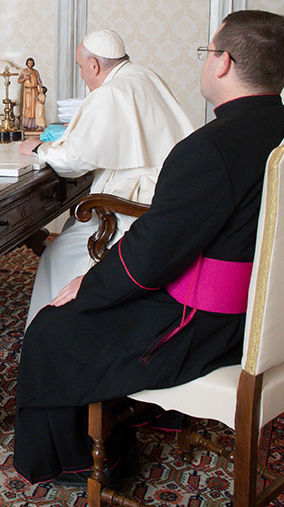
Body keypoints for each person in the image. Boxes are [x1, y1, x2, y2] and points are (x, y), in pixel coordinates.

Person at [13, 10, 284, 485]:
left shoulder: (211, 148)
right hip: (259, 307)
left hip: (209, 323)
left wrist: (90, 285)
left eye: (208, 53)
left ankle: (77, 464)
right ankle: (144, 410)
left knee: (52, 329)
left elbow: (152, 256)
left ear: (224, 62)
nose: (206, 62)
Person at [19, 29, 193, 326]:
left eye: (81, 67)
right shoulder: (144, 75)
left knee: (57, 253)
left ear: (95, 65)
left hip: (133, 206)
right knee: (74, 226)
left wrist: (42, 149)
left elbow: (74, 161)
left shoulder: (109, 93)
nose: (84, 76)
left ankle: (52, 328)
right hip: (170, 193)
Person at [17, 57, 43, 131]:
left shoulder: (36, 72)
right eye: (29, 63)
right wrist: (25, 78)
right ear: (27, 63)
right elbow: (19, 80)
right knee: (27, 107)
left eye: (31, 63)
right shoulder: (24, 71)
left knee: (34, 107)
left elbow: (39, 81)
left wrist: (41, 88)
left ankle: (34, 125)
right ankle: (26, 124)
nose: (30, 64)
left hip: (34, 91)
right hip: (27, 91)